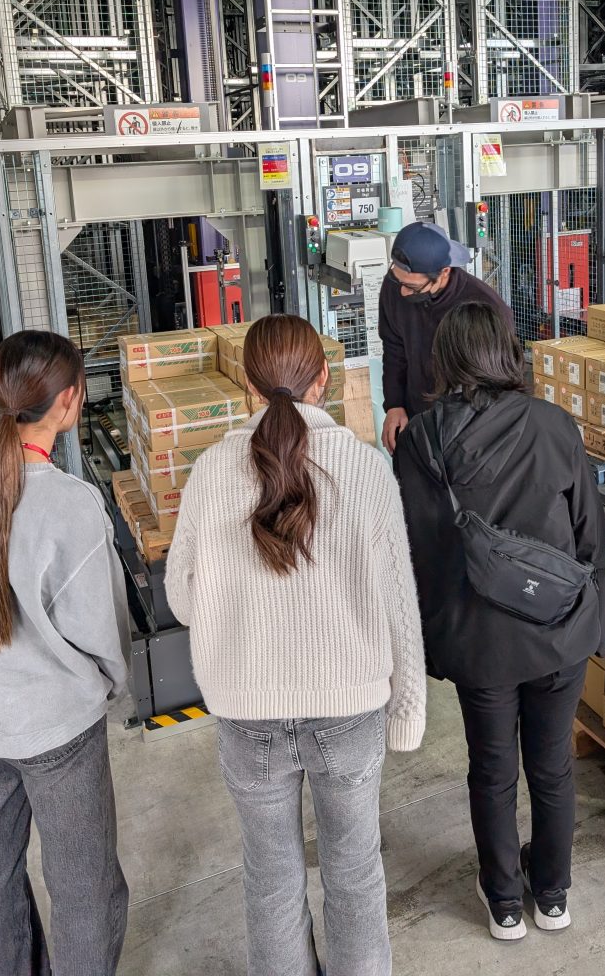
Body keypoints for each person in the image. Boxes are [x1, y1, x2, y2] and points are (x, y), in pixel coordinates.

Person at [166, 313, 427, 976]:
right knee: (355, 870)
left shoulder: (211, 471)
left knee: (270, 875)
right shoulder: (365, 468)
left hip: (246, 712)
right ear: (323, 380)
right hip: (350, 708)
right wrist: (408, 710)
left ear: (249, 386)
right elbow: (399, 602)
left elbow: (181, 598)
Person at [0, 330, 132, 975]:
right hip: (57, 729)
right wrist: (108, 686)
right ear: (68, 401)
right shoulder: (70, 504)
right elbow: (103, 634)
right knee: (84, 887)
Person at [394, 302, 605, 941]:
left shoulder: (421, 442)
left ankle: (505, 903)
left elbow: (417, 551)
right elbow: (589, 535)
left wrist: (437, 636)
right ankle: (553, 896)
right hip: (556, 630)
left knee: (492, 771)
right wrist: (588, 621)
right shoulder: (554, 424)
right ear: (508, 353)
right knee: (553, 767)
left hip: (478, 640)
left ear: (444, 359)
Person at [378, 220, 514, 453]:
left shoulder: (485, 307)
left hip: (470, 432)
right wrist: (394, 405)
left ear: (444, 272)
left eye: (413, 288)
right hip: (415, 417)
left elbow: (501, 383)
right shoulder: (395, 286)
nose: (403, 292)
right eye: (399, 281)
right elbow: (393, 349)